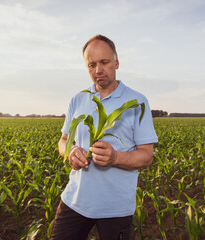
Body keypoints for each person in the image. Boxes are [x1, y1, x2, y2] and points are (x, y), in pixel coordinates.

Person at [50, 34, 158, 240]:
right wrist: (70, 152)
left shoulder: (137, 101)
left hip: (115, 209)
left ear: (116, 62)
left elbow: (147, 156)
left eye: (104, 62)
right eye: (91, 65)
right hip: (75, 200)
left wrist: (115, 157)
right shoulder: (79, 99)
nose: (98, 70)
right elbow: (63, 141)